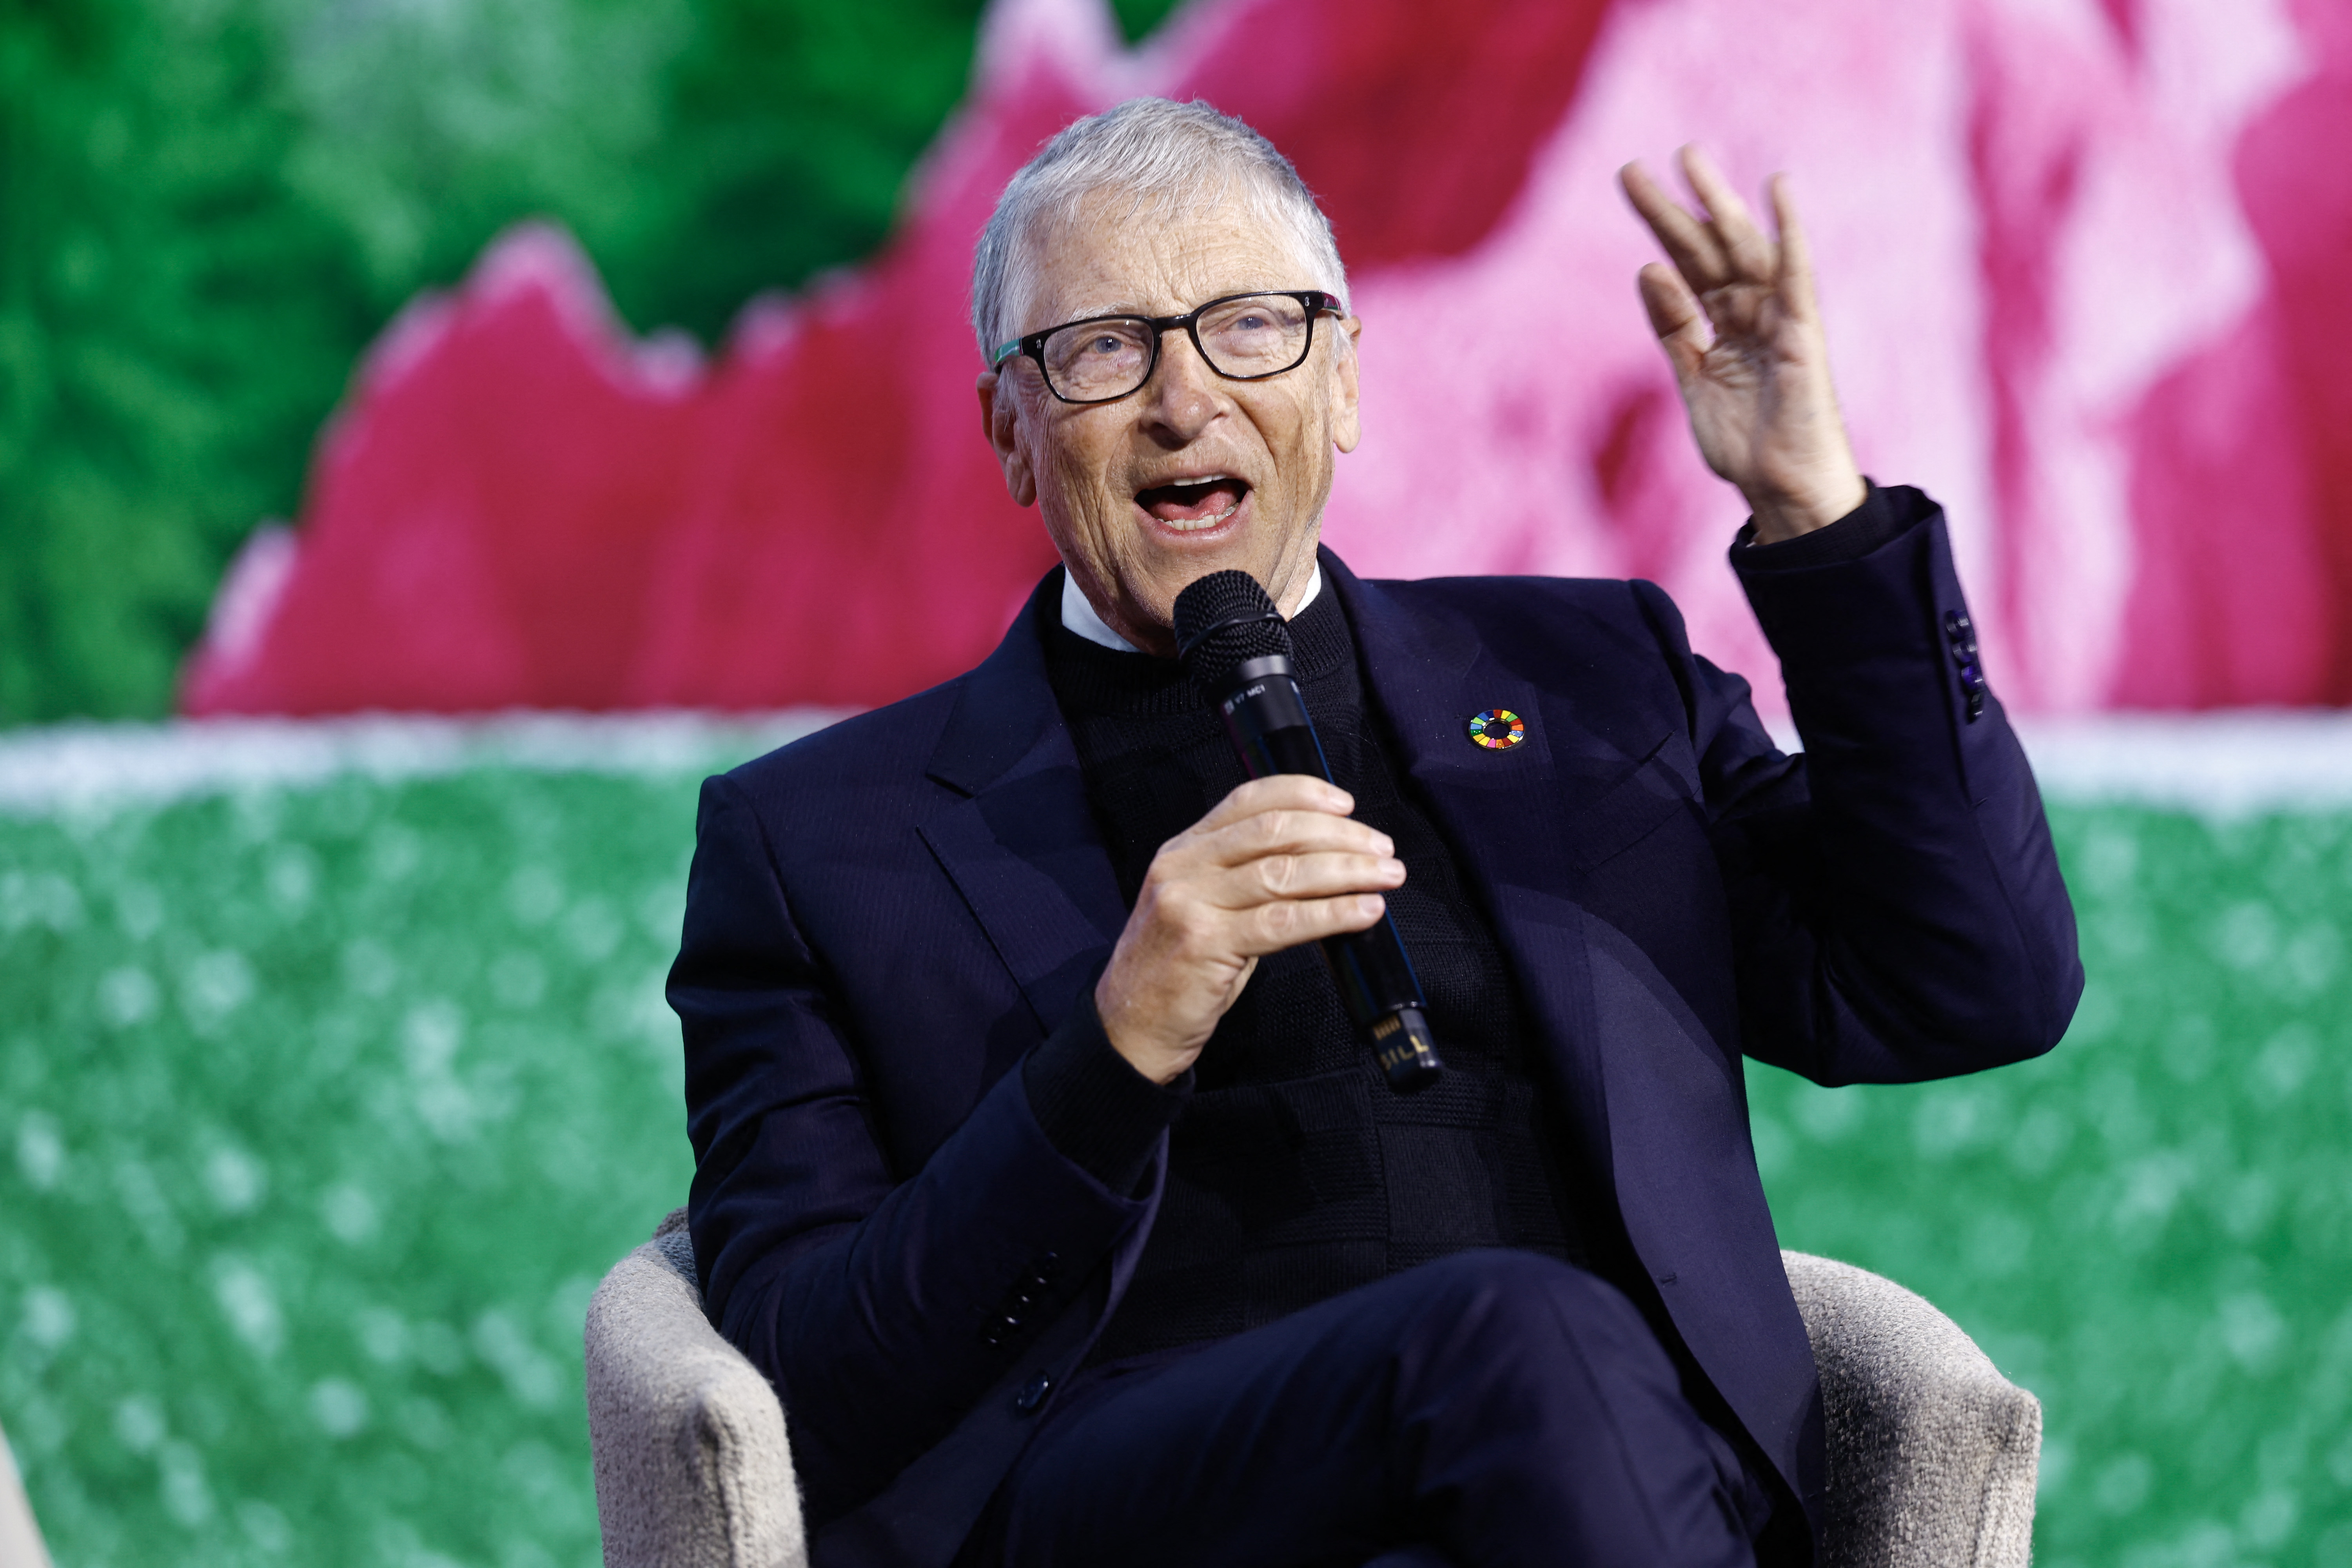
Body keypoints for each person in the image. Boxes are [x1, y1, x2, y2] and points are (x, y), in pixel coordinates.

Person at [669, 98, 2080, 1568]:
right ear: (1012, 434)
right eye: (1102, 349)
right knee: (1515, 1331)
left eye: (1252, 329)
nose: (1184, 400)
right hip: (1129, 1496)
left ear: (1343, 384)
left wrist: (1814, 514)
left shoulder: (1589, 686)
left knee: (1547, 1373)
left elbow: (1972, 979)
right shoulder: (817, 841)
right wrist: (1110, 1054)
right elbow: (804, 1380)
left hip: (1611, 1486)